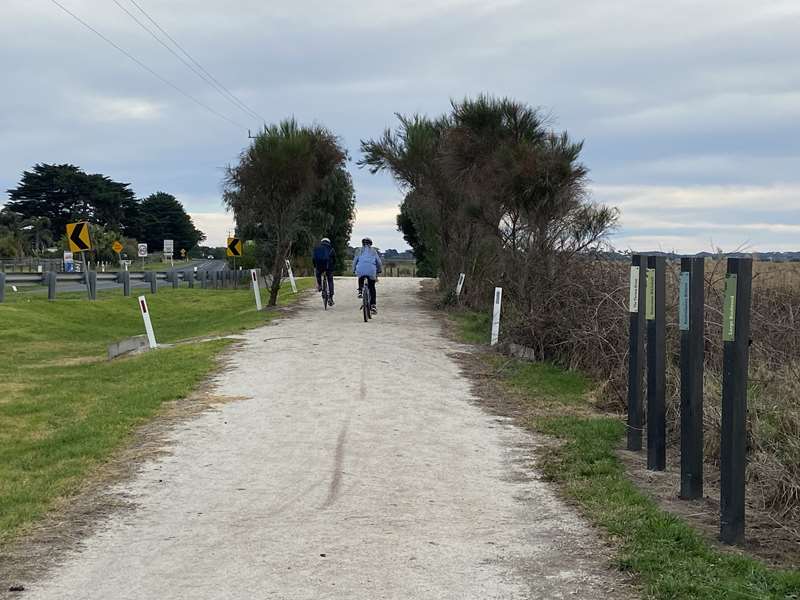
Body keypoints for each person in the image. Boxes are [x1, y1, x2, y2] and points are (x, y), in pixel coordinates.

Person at [353, 237, 382, 314]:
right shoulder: (373, 251)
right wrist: (379, 270)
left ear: (362, 244)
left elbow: (355, 261)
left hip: (360, 269)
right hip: (371, 270)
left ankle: (360, 290)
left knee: (361, 276)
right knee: (372, 287)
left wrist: (353, 270)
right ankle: (373, 305)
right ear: (370, 244)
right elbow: (378, 262)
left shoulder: (359, 250)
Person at [312, 237, 336, 306]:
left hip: (319, 267)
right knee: (330, 281)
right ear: (329, 242)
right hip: (329, 268)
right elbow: (334, 259)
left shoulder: (317, 248)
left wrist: (315, 266)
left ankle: (319, 285)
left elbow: (314, 258)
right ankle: (331, 298)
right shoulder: (331, 249)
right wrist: (333, 266)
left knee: (318, 274)